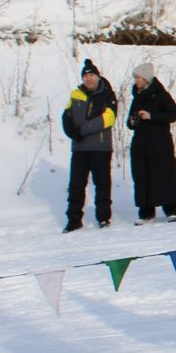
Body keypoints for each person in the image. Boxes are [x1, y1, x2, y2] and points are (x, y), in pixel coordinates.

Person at [63, 59, 117, 232]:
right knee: (76, 185)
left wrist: (83, 130)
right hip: (79, 148)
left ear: (98, 77)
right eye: (86, 76)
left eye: (92, 75)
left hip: (100, 147)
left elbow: (108, 118)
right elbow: (66, 116)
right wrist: (71, 131)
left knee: (102, 183)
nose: (89, 79)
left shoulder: (107, 94)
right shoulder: (75, 94)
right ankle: (74, 219)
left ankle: (103, 217)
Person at [127, 62, 176, 223]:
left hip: (160, 142)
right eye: (135, 77)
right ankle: (146, 212)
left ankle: (171, 210)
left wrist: (152, 116)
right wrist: (133, 121)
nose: (136, 80)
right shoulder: (136, 96)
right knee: (142, 175)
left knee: (165, 174)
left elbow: (174, 114)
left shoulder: (161, 94)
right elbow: (129, 123)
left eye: (138, 77)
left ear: (146, 78)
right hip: (140, 143)